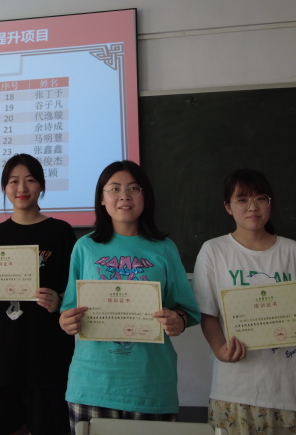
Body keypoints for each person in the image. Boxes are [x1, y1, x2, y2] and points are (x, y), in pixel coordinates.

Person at [59, 160, 200, 435]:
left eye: (134, 188)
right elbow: (69, 310)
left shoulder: (164, 248)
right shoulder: (85, 247)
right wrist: (66, 321)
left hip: (150, 386)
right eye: (114, 189)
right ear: (102, 198)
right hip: (92, 383)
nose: (124, 196)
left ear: (145, 196)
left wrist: (179, 320)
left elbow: (187, 310)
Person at [191, 169, 296, 435]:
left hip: (291, 390)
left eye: (260, 199)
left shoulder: (292, 251)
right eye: (242, 200)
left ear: (270, 203)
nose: (252, 207)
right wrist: (220, 349)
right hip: (235, 389)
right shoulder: (214, 251)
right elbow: (207, 314)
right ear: (228, 207)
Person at [0, 153, 76, 435]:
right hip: (1, 352)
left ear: (41, 185)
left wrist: (59, 300)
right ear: (4, 187)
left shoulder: (61, 232)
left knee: (49, 427)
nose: (22, 188)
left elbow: (75, 289)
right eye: (14, 181)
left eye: (30, 180)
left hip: (48, 352)